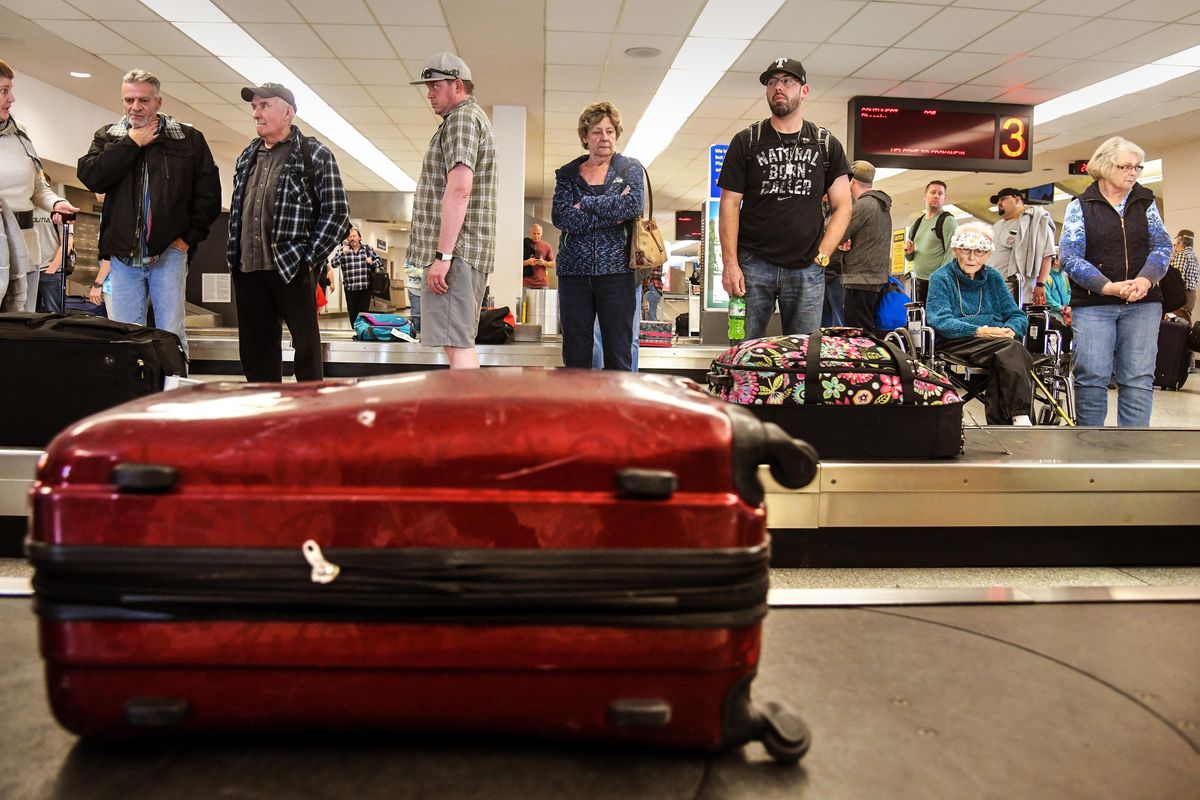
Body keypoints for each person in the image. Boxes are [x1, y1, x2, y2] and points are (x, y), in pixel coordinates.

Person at [78, 68, 221, 356]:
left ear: (158, 102)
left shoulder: (188, 140)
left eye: (143, 100)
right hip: (122, 258)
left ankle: (172, 396)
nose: (135, 107)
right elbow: (92, 177)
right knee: (126, 335)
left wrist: (185, 241)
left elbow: (209, 197)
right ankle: (134, 396)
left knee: (171, 333)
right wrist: (131, 144)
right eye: (129, 100)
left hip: (168, 253)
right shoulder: (108, 137)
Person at [717, 58, 851, 339]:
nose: (778, 87)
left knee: (803, 358)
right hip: (753, 266)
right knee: (741, 352)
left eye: (787, 81)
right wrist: (730, 263)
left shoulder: (825, 144)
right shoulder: (747, 141)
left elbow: (842, 206)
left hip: (807, 269)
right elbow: (729, 203)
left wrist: (823, 255)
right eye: (772, 82)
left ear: (804, 90)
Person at [226, 82, 350, 382]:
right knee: (256, 352)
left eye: (264, 105)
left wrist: (309, 260)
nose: (256, 113)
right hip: (248, 268)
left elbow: (337, 213)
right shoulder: (248, 156)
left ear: (288, 111)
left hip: (291, 267)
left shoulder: (314, 154)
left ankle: (309, 412)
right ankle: (265, 412)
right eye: (254, 107)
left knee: (306, 351)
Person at [1059, 136, 1172, 427]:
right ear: (1104, 166)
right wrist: (1107, 286)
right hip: (1094, 304)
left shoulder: (1145, 202)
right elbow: (1070, 257)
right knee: (1092, 376)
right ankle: (1091, 447)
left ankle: (1132, 450)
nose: (1133, 172)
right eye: (1125, 166)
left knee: (1138, 377)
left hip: (1143, 303)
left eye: (1138, 167)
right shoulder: (1080, 206)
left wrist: (1145, 280)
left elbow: (1162, 246)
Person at [406, 53, 495, 369]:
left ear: (458, 85)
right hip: (462, 253)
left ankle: (468, 418)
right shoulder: (468, 119)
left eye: (435, 85)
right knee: (456, 342)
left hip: (456, 254)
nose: (429, 93)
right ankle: (468, 416)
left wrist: (443, 257)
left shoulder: (462, 120)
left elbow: (459, 189)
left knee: (457, 345)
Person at [552, 100, 643, 370]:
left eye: (610, 131)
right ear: (585, 137)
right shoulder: (568, 174)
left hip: (617, 273)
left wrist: (587, 204)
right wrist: (610, 211)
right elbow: (562, 217)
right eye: (597, 132)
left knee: (618, 352)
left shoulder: (630, 169)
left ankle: (618, 410)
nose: (605, 138)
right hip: (573, 274)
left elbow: (632, 206)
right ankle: (578, 409)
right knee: (576, 352)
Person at [926, 224, 1034, 426]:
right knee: (1012, 350)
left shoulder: (993, 277)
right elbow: (939, 319)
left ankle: (1004, 424)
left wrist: (1012, 329)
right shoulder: (940, 278)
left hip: (997, 342)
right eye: (966, 250)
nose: (972, 257)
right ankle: (1019, 417)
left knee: (1009, 350)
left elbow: (1016, 314)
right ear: (956, 250)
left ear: (988, 254)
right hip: (957, 340)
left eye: (979, 252)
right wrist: (978, 331)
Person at [0, 59, 78, 309]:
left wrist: (57, 203)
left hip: (25, 245)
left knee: (22, 322)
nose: (11, 98)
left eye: (11, 90)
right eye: (3, 91)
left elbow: (37, 186)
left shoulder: (19, 132)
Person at [838, 160, 893, 332]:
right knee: (870, 332)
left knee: (857, 335)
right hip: (876, 280)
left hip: (859, 281)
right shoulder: (882, 206)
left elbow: (836, 231)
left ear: (852, 181)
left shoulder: (863, 206)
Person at [989, 187, 1056, 305]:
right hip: (993, 291)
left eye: (1003, 199)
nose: (999, 203)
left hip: (1021, 292)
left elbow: (1047, 256)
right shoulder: (996, 226)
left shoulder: (1035, 221)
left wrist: (1041, 284)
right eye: (998, 201)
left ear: (1017, 199)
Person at [904, 180, 957, 303]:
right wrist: (909, 252)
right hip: (919, 281)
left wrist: (940, 278)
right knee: (922, 319)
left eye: (940, 193)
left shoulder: (947, 220)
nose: (936, 196)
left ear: (944, 198)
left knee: (936, 319)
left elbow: (952, 252)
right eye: (933, 192)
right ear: (925, 196)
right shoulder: (916, 223)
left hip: (939, 282)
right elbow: (910, 257)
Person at [330, 227, 382, 326]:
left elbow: (379, 262)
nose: (352, 238)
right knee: (352, 312)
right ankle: (355, 331)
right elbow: (333, 264)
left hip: (365, 287)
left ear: (360, 238)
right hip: (350, 288)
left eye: (354, 236)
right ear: (347, 239)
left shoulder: (368, 249)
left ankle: (363, 331)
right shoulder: (342, 250)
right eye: (350, 237)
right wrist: (342, 254)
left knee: (363, 313)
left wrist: (372, 262)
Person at [1169, 229, 1198, 324]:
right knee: (1184, 323)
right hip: (1191, 295)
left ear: (1180, 241)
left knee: (1176, 325)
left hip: (1182, 295)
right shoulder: (1193, 256)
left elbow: (1176, 278)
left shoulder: (1182, 255)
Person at [522, 223, 555, 289]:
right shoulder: (523, 244)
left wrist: (544, 263)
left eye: (538, 233)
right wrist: (527, 262)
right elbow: (513, 264)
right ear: (530, 232)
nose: (536, 236)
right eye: (534, 233)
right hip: (526, 284)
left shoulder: (546, 246)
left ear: (542, 233)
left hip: (542, 285)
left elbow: (553, 264)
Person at [404, 261, 422, 334]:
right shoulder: (413, 253)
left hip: (433, 289)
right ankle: (417, 334)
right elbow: (407, 268)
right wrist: (424, 273)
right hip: (415, 289)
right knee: (417, 314)